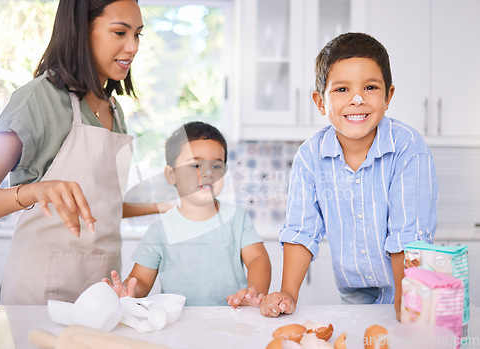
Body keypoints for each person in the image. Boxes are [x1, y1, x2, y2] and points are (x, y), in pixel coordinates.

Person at [0, 0, 168, 305]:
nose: (132, 47)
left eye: (137, 35)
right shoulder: (38, 100)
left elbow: (103, 206)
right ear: (82, 30)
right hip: (39, 296)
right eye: (120, 32)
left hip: (101, 292)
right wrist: (33, 192)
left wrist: (170, 207)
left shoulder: (114, 110)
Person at [259, 32, 438, 320]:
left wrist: (406, 300)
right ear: (320, 102)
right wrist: (288, 293)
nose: (357, 100)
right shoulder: (310, 156)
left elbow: (408, 236)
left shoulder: (408, 148)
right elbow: (301, 232)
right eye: (342, 89)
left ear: (388, 96)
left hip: (407, 285)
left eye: (369, 87)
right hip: (354, 293)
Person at [103, 121, 272, 306]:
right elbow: (141, 279)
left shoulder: (237, 218)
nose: (208, 173)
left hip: (231, 319)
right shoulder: (160, 229)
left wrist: (254, 292)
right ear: (171, 175)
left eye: (216, 166)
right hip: (178, 323)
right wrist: (129, 291)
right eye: (195, 165)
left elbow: (258, 259)